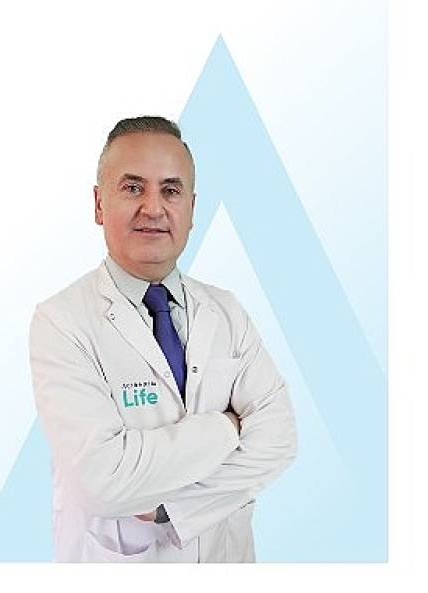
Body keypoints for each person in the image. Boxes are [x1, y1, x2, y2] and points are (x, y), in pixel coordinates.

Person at [29, 116, 297, 562]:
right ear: (99, 204)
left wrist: (171, 509)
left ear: (191, 208)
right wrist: (227, 427)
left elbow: (280, 437)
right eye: (133, 188)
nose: (153, 207)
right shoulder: (61, 322)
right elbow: (102, 480)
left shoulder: (226, 310)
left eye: (170, 190)